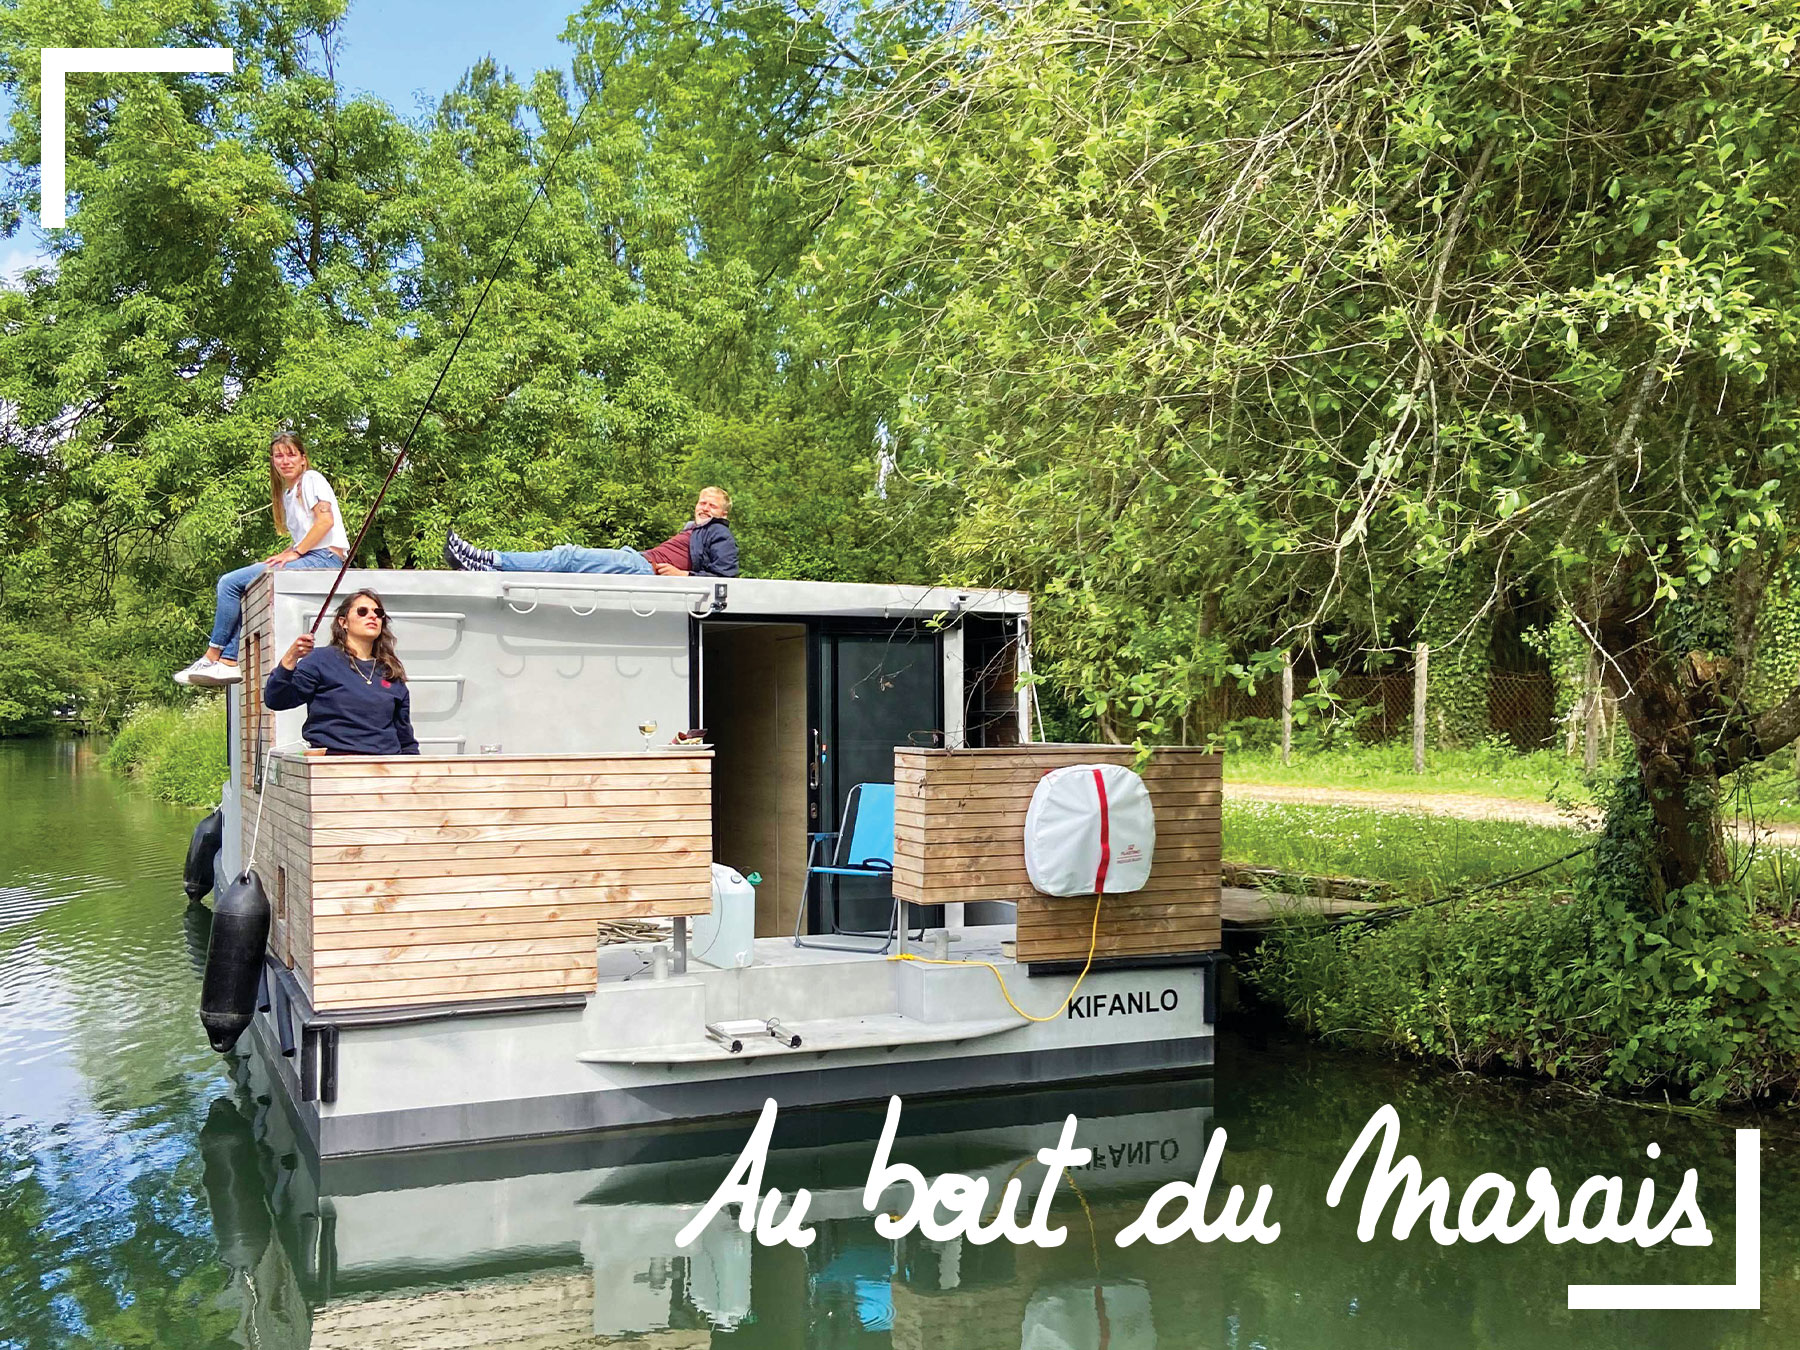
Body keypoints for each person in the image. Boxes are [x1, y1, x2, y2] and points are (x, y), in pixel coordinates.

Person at [175, 431, 349, 686]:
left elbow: (325, 522)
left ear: (303, 458)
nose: (285, 461)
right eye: (278, 456)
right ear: (272, 461)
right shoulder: (288, 494)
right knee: (242, 582)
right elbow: (304, 535)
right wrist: (287, 552)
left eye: (291, 455)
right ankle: (227, 662)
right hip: (313, 554)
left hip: (326, 558)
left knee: (228, 583)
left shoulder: (312, 479)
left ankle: (213, 656)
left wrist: (296, 552)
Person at [442, 486, 740, 578]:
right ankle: (485, 566)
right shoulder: (693, 531)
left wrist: (684, 575)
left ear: (723, 514)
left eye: (711, 505)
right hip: (637, 558)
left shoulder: (720, 534)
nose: (704, 507)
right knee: (566, 560)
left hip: (643, 567)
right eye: (701, 502)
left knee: (568, 557)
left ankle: (490, 560)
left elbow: (726, 576)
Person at [264, 590, 419, 755]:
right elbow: (276, 700)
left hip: (385, 764)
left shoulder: (389, 670)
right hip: (334, 763)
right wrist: (291, 657)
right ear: (343, 622)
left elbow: (405, 737)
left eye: (378, 613)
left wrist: (415, 766)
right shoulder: (320, 660)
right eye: (362, 611)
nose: (373, 616)